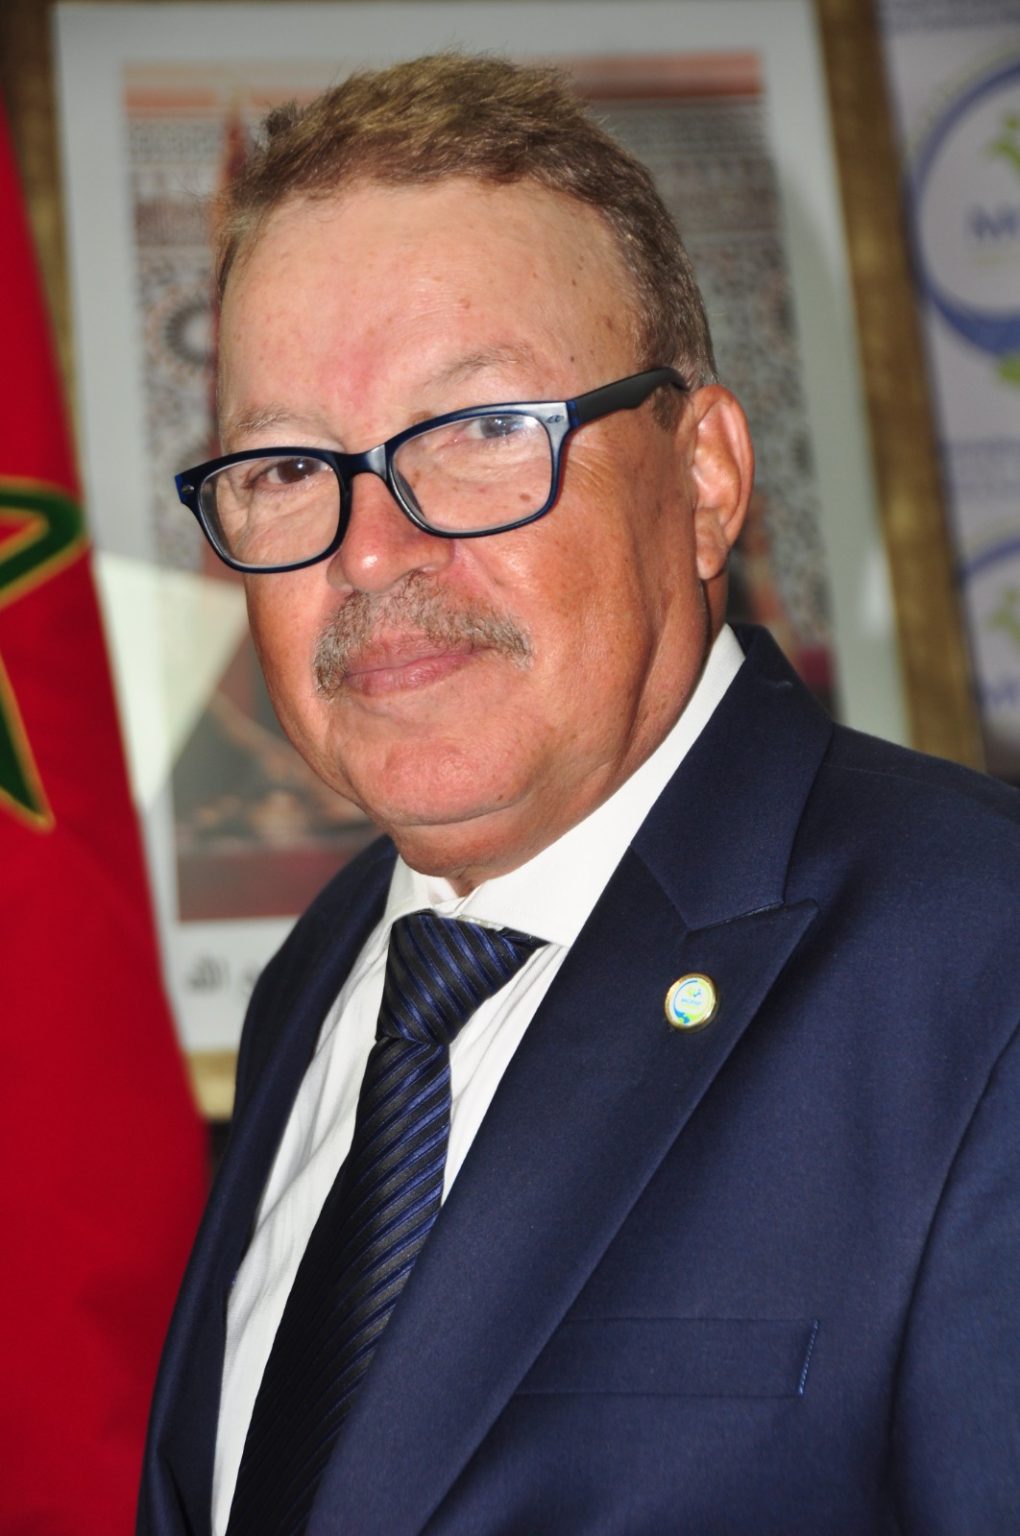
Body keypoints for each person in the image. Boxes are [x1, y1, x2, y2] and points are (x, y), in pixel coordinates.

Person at [140, 54, 1020, 1536]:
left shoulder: (979, 970)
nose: (369, 552)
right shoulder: (324, 980)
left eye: (481, 430)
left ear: (707, 478)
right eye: (286, 466)